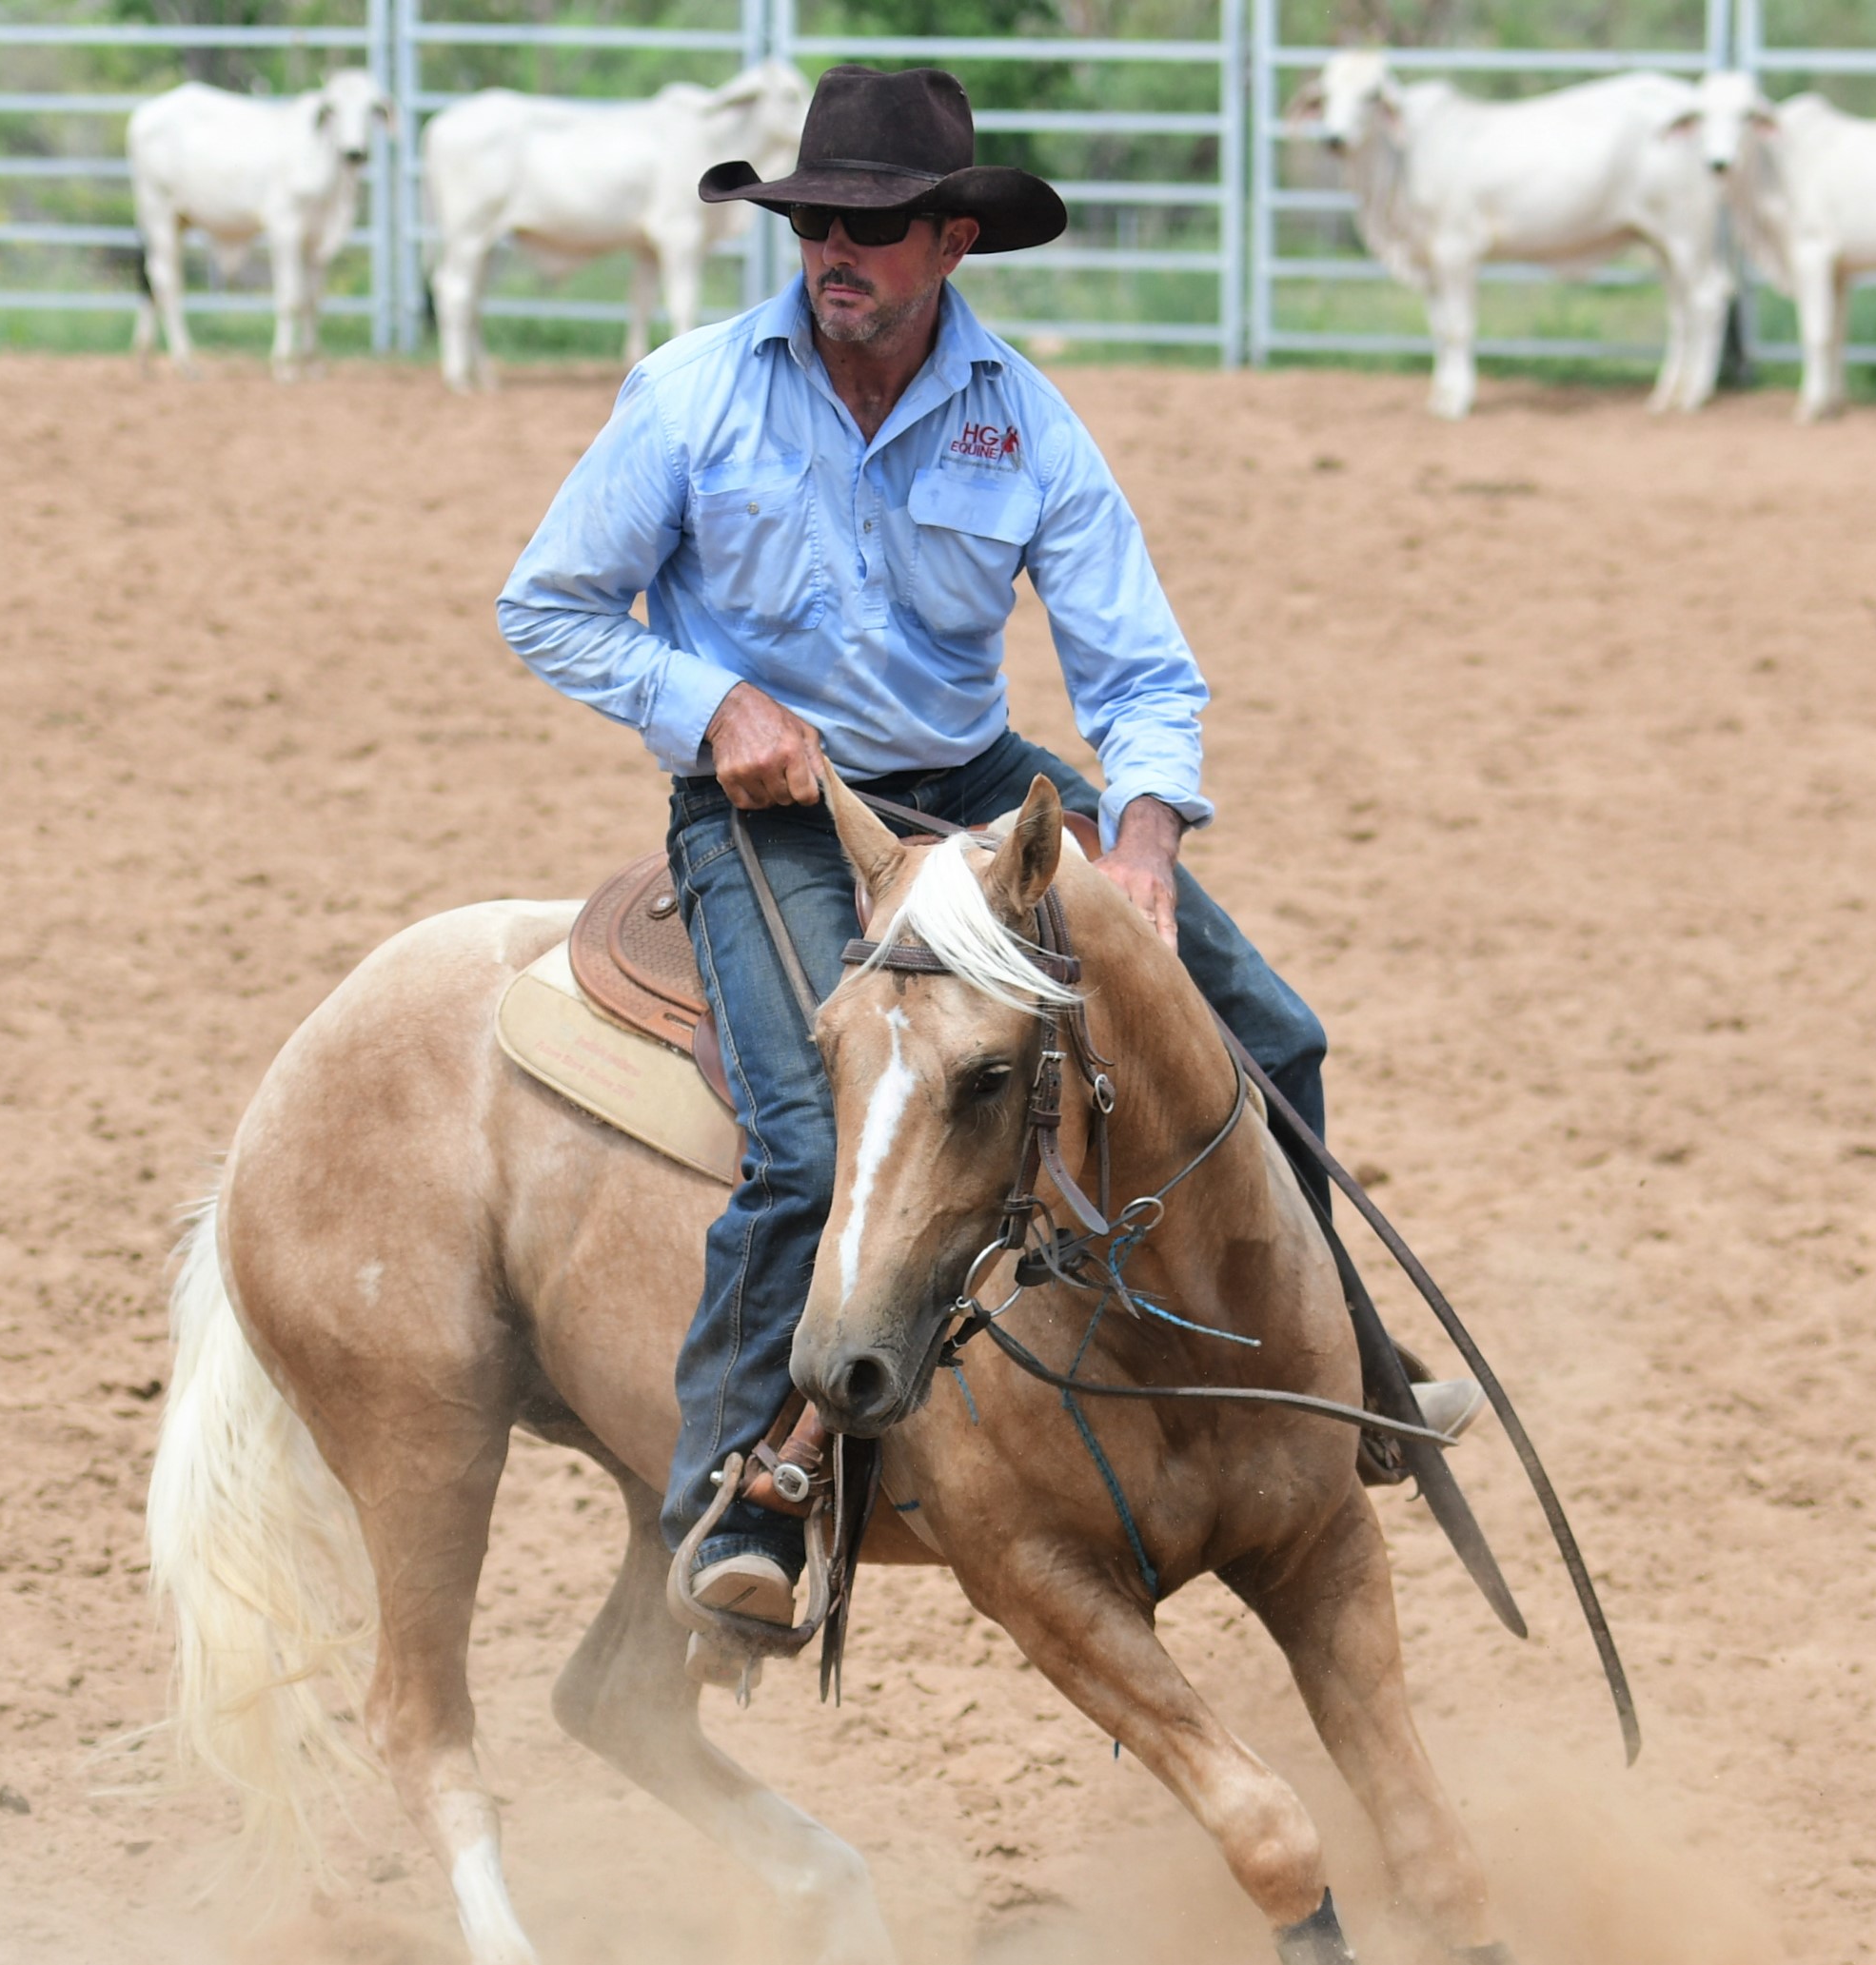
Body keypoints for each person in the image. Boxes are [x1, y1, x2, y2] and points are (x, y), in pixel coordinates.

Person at [496, 64, 1472, 1626]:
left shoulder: (1023, 419)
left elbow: (1138, 669)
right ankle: (745, 1496)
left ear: (953, 242)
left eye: (872, 225)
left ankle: (1330, 1359)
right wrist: (713, 703)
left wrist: (1140, 840)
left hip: (974, 779)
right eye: (815, 220)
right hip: (777, 806)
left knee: (1272, 1033)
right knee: (809, 1137)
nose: (835, 250)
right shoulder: (690, 393)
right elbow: (548, 603)